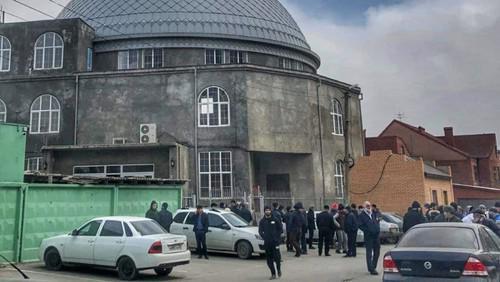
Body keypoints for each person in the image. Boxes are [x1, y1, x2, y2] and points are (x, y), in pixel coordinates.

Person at [259, 206, 283, 280]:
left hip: (275, 243)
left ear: (270, 211)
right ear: (264, 211)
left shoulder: (275, 219)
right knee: (269, 260)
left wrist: (277, 238)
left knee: (277, 258)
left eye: (269, 210)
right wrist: (264, 237)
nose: (268, 211)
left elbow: (280, 229)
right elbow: (260, 231)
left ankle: (279, 270)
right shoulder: (262, 221)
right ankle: (273, 274)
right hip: (267, 243)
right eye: (266, 210)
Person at [358, 201, 381, 275]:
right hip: (369, 236)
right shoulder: (362, 215)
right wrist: (367, 231)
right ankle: (371, 269)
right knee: (369, 253)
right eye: (367, 205)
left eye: (369, 205)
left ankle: (373, 266)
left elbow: (377, 220)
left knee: (377, 251)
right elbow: (360, 225)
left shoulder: (373, 213)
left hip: (376, 235)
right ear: (364, 207)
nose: (369, 206)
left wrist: (377, 228)